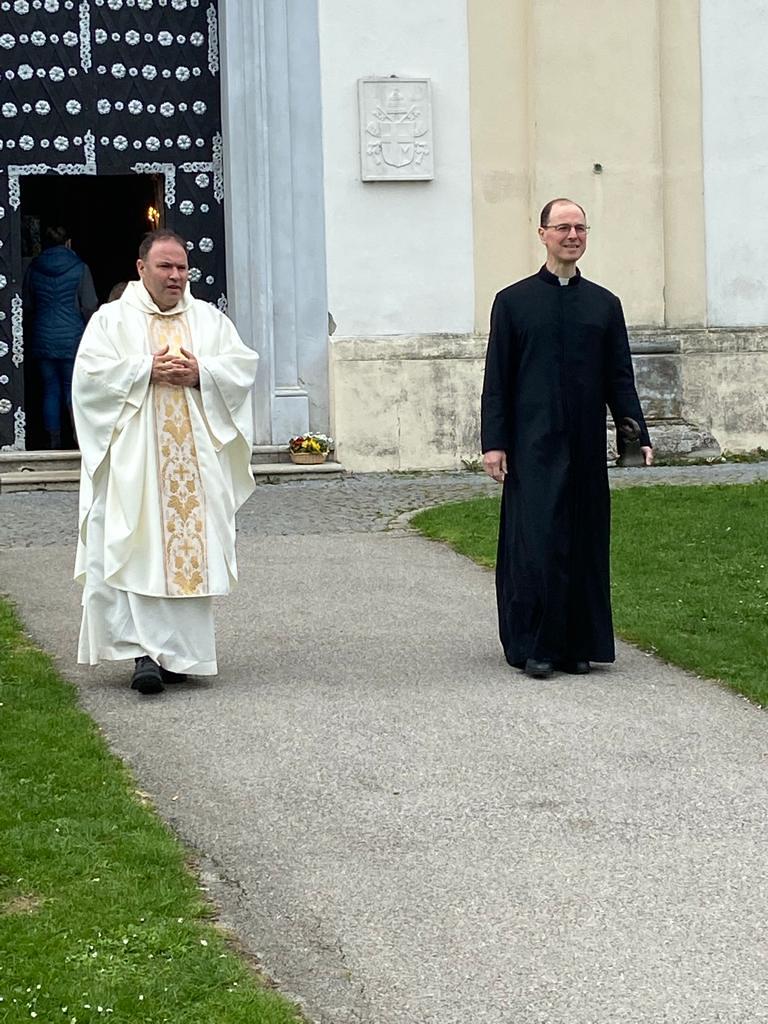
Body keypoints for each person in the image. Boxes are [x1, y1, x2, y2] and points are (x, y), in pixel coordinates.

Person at [72, 229, 259, 695]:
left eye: (182, 267)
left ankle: (180, 655)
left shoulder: (209, 320)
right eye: (165, 266)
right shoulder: (112, 320)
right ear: (141, 269)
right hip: (135, 465)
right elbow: (89, 379)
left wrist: (202, 373)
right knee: (137, 547)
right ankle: (144, 654)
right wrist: (144, 369)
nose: (176, 276)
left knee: (190, 552)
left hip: (194, 466)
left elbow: (241, 367)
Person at [481, 198, 652, 679]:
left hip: (583, 443)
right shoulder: (513, 302)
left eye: (580, 228)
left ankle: (578, 644)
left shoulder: (603, 304)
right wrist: (494, 442)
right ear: (543, 234)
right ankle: (536, 645)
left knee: (583, 540)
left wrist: (635, 434)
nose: (572, 235)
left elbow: (619, 376)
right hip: (531, 444)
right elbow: (497, 380)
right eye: (562, 227)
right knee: (537, 543)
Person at [22, 225, 98, 449]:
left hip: (42, 336)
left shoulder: (34, 268)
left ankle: (53, 441)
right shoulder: (80, 268)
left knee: (50, 389)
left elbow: (26, 304)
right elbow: (89, 304)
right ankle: (78, 438)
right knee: (73, 389)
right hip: (72, 338)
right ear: (68, 243)